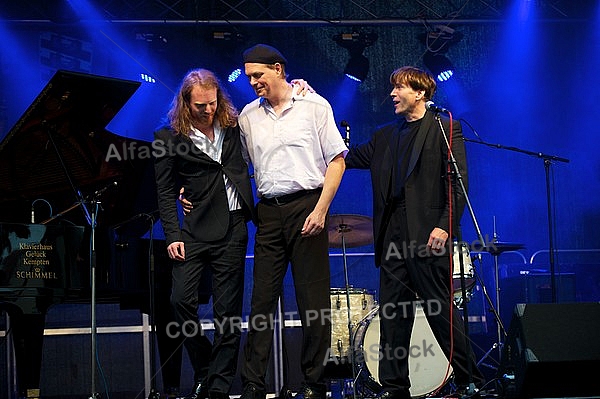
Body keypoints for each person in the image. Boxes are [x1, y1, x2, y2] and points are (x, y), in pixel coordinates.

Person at [344, 66, 485, 399]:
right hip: (392, 235)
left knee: (439, 311)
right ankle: (395, 387)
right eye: (392, 89)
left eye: (399, 88)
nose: (392, 94)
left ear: (420, 93)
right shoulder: (384, 136)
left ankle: (469, 378)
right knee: (394, 315)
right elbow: (345, 157)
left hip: (428, 234)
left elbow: (457, 183)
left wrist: (445, 226)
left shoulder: (445, 126)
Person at [237, 44, 347, 399]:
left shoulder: (315, 106)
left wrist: (320, 210)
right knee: (261, 300)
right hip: (269, 211)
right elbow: (235, 167)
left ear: (279, 69)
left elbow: (337, 160)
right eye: (249, 76)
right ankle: (254, 382)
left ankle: (314, 383)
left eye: (259, 75)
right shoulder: (247, 116)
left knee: (312, 300)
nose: (253, 82)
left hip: (308, 206)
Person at [153, 68, 256, 399]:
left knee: (228, 314)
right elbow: (166, 192)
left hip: (234, 226)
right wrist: (173, 236)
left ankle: (218, 387)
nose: (208, 110)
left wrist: (300, 88)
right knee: (179, 301)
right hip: (194, 230)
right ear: (185, 103)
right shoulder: (167, 138)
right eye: (200, 106)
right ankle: (205, 367)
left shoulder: (233, 125)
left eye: (212, 103)